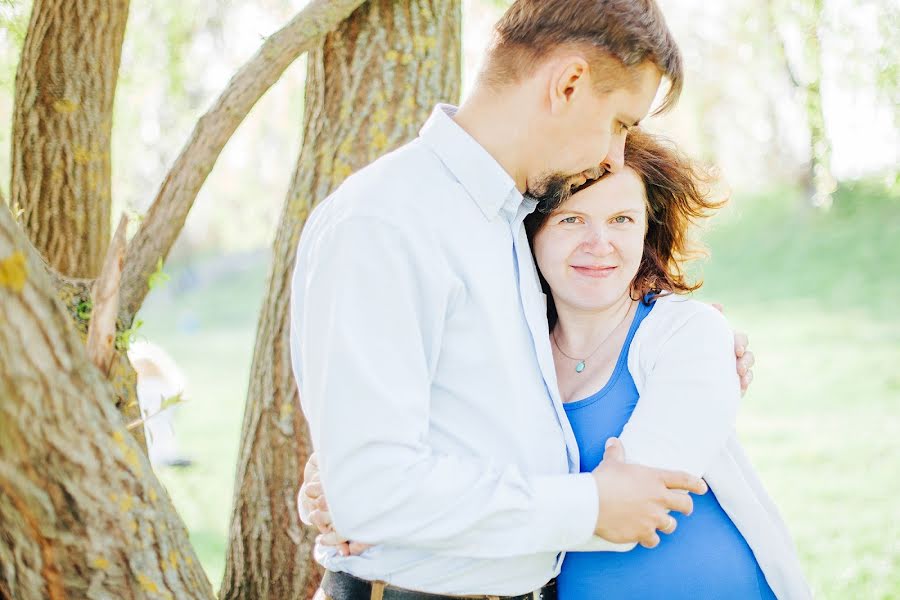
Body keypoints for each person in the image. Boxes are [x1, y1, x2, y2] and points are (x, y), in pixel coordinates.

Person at [290, 1, 756, 599]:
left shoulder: (508, 220)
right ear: (568, 84)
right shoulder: (387, 221)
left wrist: (696, 344)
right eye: (619, 123)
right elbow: (372, 488)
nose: (615, 156)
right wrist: (588, 505)